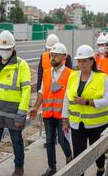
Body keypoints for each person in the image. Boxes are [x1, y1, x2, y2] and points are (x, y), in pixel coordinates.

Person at [0, 31, 31, 176]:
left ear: (13, 48)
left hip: (14, 111)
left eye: (7, 49)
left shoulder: (22, 65)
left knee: (16, 141)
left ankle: (19, 166)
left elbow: (26, 90)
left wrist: (22, 111)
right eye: (2, 49)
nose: (4, 52)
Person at [62, 45, 108, 176]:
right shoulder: (73, 76)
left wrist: (88, 102)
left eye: (84, 60)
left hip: (98, 124)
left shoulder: (102, 78)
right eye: (79, 60)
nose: (81, 63)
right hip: (77, 123)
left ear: (91, 61)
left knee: (98, 154)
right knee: (78, 157)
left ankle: (100, 169)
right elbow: (66, 99)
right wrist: (64, 119)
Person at [29, 43, 72, 176]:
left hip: (62, 115)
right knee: (49, 141)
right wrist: (35, 107)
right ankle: (51, 167)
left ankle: (69, 159)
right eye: (51, 55)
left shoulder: (70, 74)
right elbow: (42, 92)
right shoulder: (47, 73)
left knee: (63, 141)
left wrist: (68, 116)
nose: (52, 58)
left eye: (55, 56)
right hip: (48, 113)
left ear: (64, 57)